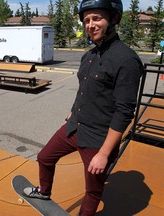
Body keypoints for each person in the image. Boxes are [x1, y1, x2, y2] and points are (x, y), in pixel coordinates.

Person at [23, 0, 144, 215]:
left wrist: (104, 154)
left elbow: (124, 112)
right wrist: (71, 113)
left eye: (97, 18)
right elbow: (84, 90)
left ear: (114, 19)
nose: (90, 25)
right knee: (45, 157)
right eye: (87, 20)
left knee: (93, 191)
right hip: (74, 127)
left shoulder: (126, 60)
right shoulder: (88, 56)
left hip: (99, 138)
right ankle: (44, 191)